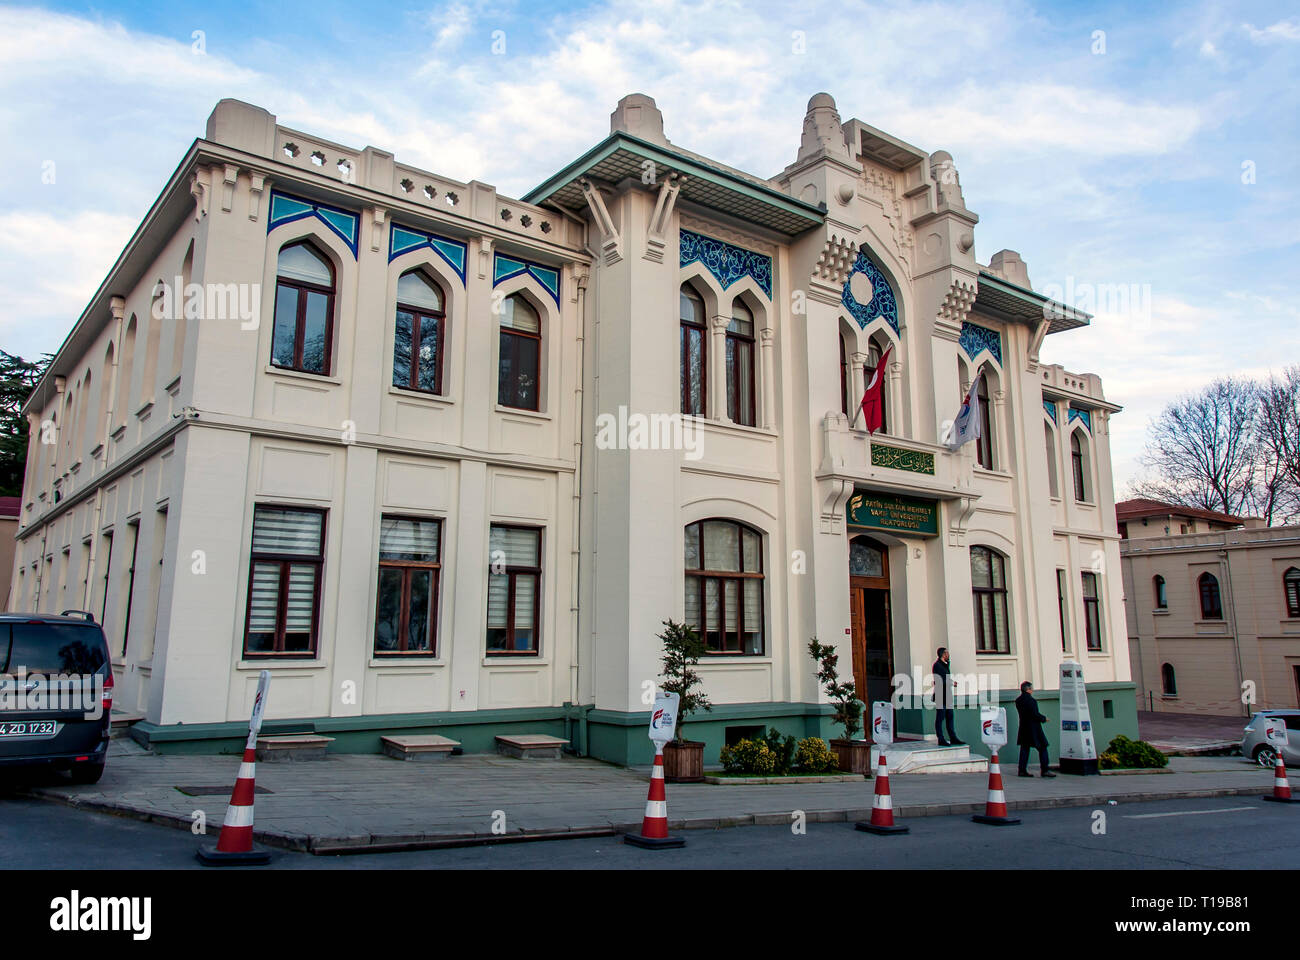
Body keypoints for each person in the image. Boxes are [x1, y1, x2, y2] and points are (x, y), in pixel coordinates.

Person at [1015, 680, 1055, 777]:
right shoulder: (1031, 701)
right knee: (1043, 747)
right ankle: (1045, 770)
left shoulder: (1018, 700)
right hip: (1034, 728)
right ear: (1028, 690)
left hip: (1023, 727)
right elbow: (1034, 714)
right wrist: (1044, 718)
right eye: (1031, 688)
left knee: (1024, 748)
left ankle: (1022, 770)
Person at [932, 647, 963, 746]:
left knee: (950, 716)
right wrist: (951, 683)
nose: (948, 654)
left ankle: (953, 738)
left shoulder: (945, 665)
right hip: (941, 695)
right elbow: (939, 680)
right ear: (943, 654)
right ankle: (940, 739)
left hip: (947, 695)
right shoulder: (937, 665)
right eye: (947, 653)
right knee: (940, 717)